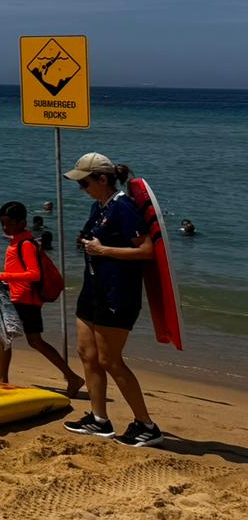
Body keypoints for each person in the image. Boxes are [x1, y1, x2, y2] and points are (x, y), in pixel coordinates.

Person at [61, 153, 163, 447]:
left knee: (110, 360)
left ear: (102, 179)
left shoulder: (124, 208)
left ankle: (146, 424)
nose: (82, 188)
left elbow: (146, 251)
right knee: (87, 355)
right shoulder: (99, 206)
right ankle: (99, 419)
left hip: (118, 295)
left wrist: (103, 250)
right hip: (93, 289)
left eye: (85, 182)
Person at [0, 201, 83, 394]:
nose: (6, 227)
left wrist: (3, 276)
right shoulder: (19, 240)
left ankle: (2, 378)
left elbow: (34, 274)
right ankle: (72, 377)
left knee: (4, 336)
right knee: (33, 341)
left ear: (22, 222)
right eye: (3, 224)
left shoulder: (26, 244)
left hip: (23, 298)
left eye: (10, 223)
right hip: (21, 297)